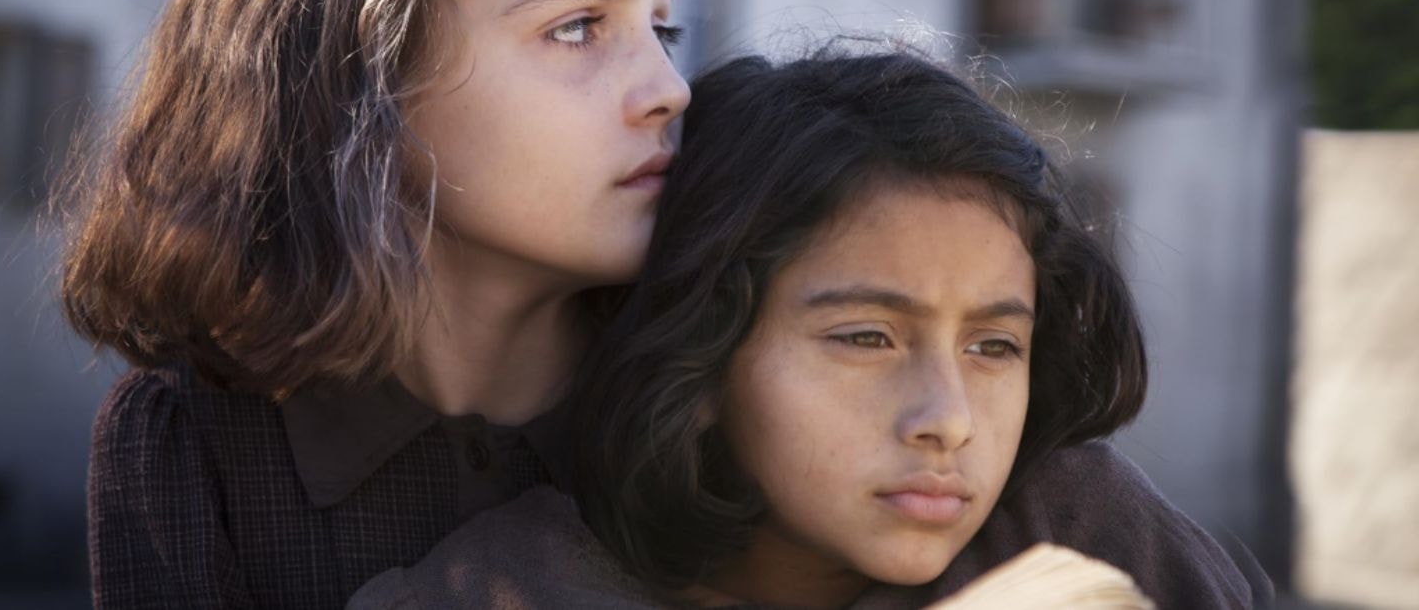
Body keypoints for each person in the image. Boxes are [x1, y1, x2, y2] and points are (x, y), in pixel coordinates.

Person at [63, 0, 688, 608]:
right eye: (577, 27)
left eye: (662, 26)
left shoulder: (723, 394)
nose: (670, 87)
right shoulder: (187, 439)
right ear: (366, 72)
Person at [348, 49, 1271, 609]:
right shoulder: (499, 592)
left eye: (995, 346)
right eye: (867, 338)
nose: (947, 420)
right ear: (700, 357)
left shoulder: (1074, 529)